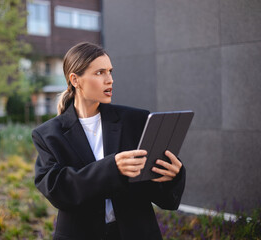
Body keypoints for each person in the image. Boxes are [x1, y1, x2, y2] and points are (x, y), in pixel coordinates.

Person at [32, 42, 186, 240]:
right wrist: (113, 168)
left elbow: (162, 196)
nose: (110, 80)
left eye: (110, 72)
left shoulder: (135, 120)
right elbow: (59, 191)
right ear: (75, 80)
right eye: (99, 73)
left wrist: (173, 175)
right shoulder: (48, 134)